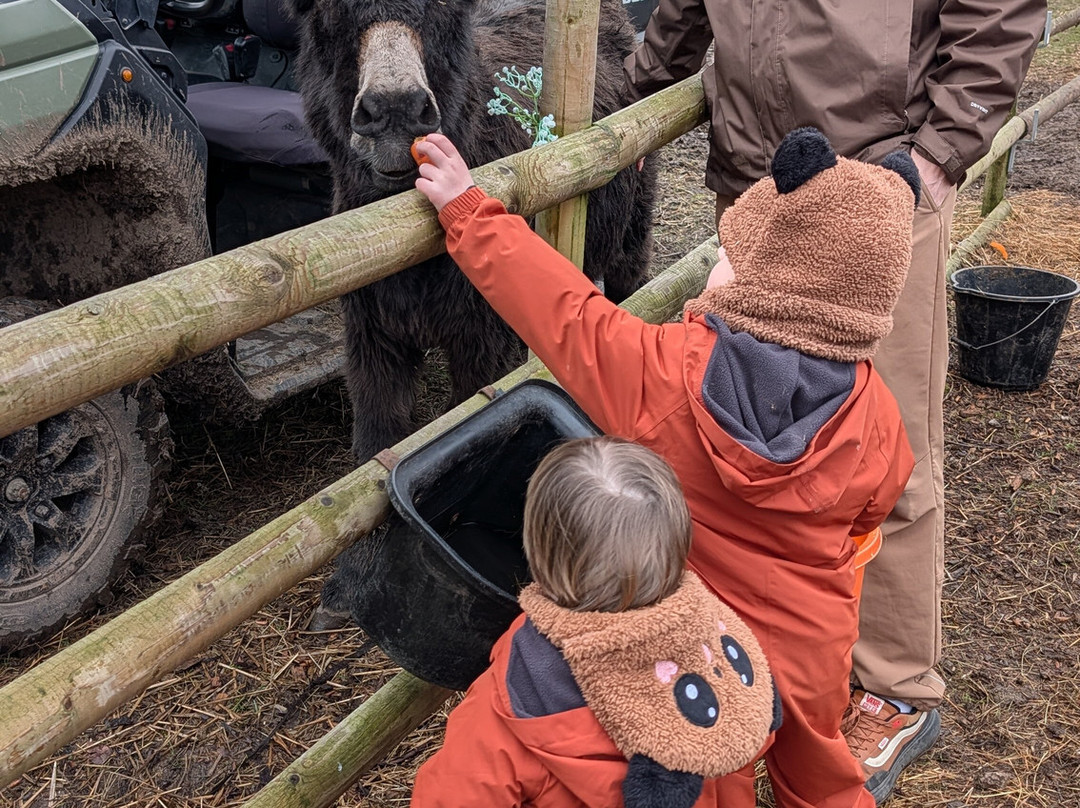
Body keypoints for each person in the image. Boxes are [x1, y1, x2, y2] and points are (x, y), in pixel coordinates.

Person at [412, 125, 917, 808]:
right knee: (820, 767)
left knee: (709, 753)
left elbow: (563, 311)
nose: (719, 261)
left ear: (769, 279)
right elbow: (877, 503)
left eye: (731, 253)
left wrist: (469, 211)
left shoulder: (662, 371)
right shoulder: (874, 410)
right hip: (809, 634)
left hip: (690, 626)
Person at [623, 1, 1047, 800]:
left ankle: (896, 685)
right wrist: (635, 98)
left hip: (875, 187)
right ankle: (758, 659)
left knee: (885, 439)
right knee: (743, 431)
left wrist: (935, 157)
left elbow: (996, 14)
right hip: (759, 182)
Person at [410, 436, 781, 808]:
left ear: (538, 552)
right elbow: (750, 736)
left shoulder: (515, 700)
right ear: (676, 546)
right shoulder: (713, 637)